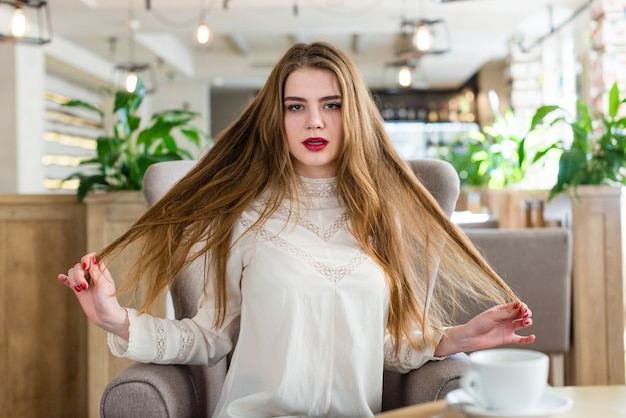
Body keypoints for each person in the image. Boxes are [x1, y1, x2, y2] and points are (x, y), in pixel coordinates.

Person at [58, 42, 535, 417]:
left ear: (353, 114)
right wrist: (116, 319)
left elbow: (383, 342)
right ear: (277, 117)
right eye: (295, 106)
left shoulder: (379, 220)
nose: (313, 121)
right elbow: (209, 337)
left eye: (331, 104)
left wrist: (462, 337)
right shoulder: (243, 218)